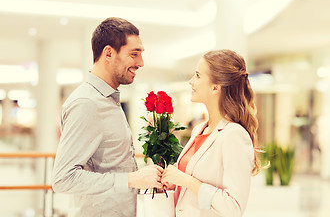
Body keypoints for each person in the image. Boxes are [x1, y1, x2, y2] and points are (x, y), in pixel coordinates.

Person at [52, 17, 163, 217]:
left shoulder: (108, 99)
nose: (141, 63)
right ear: (109, 53)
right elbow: (63, 179)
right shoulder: (86, 103)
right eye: (134, 54)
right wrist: (131, 179)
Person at [161, 49, 261, 217]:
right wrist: (175, 184)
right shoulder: (199, 130)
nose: (191, 81)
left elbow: (233, 208)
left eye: (198, 75)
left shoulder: (233, 135)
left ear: (216, 87)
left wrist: (187, 181)